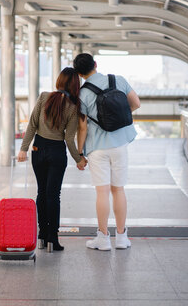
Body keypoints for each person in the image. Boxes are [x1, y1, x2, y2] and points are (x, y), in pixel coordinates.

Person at [73, 53, 141, 251]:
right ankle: (121, 238)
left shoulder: (82, 94)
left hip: (97, 148)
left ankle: (103, 239)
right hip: (120, 143)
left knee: (101, 192)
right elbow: (136, 103)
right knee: (118, 189)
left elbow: (82, 127)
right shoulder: (117, 80)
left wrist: (79, 154)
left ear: (79, 73)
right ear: (95, 64)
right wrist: (119, 116)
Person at [18, 67, 88, 252]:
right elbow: (69, 138)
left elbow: (32, 125)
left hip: (38, 150)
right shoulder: (73, 107)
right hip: (57, 152)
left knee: (41, 193)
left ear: (59, 81)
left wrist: (24, 149)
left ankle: (42, 234)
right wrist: (78, 159)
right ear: (75, 85)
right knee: (53, 196)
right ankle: (52, 239)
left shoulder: (44, 97)